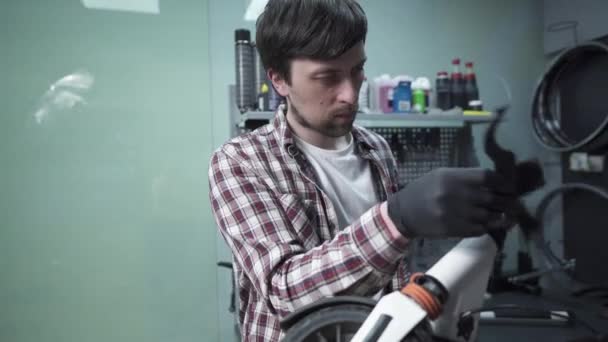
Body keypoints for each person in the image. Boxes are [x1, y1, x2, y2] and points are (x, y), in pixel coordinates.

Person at [208, 0, 517, 340]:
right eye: (328, 77)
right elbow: (285, 293)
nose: (350, 94)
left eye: (357, 71)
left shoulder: (377, 150)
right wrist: (396, 218)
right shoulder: (240, 161)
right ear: (279, 79)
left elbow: (392, 275)